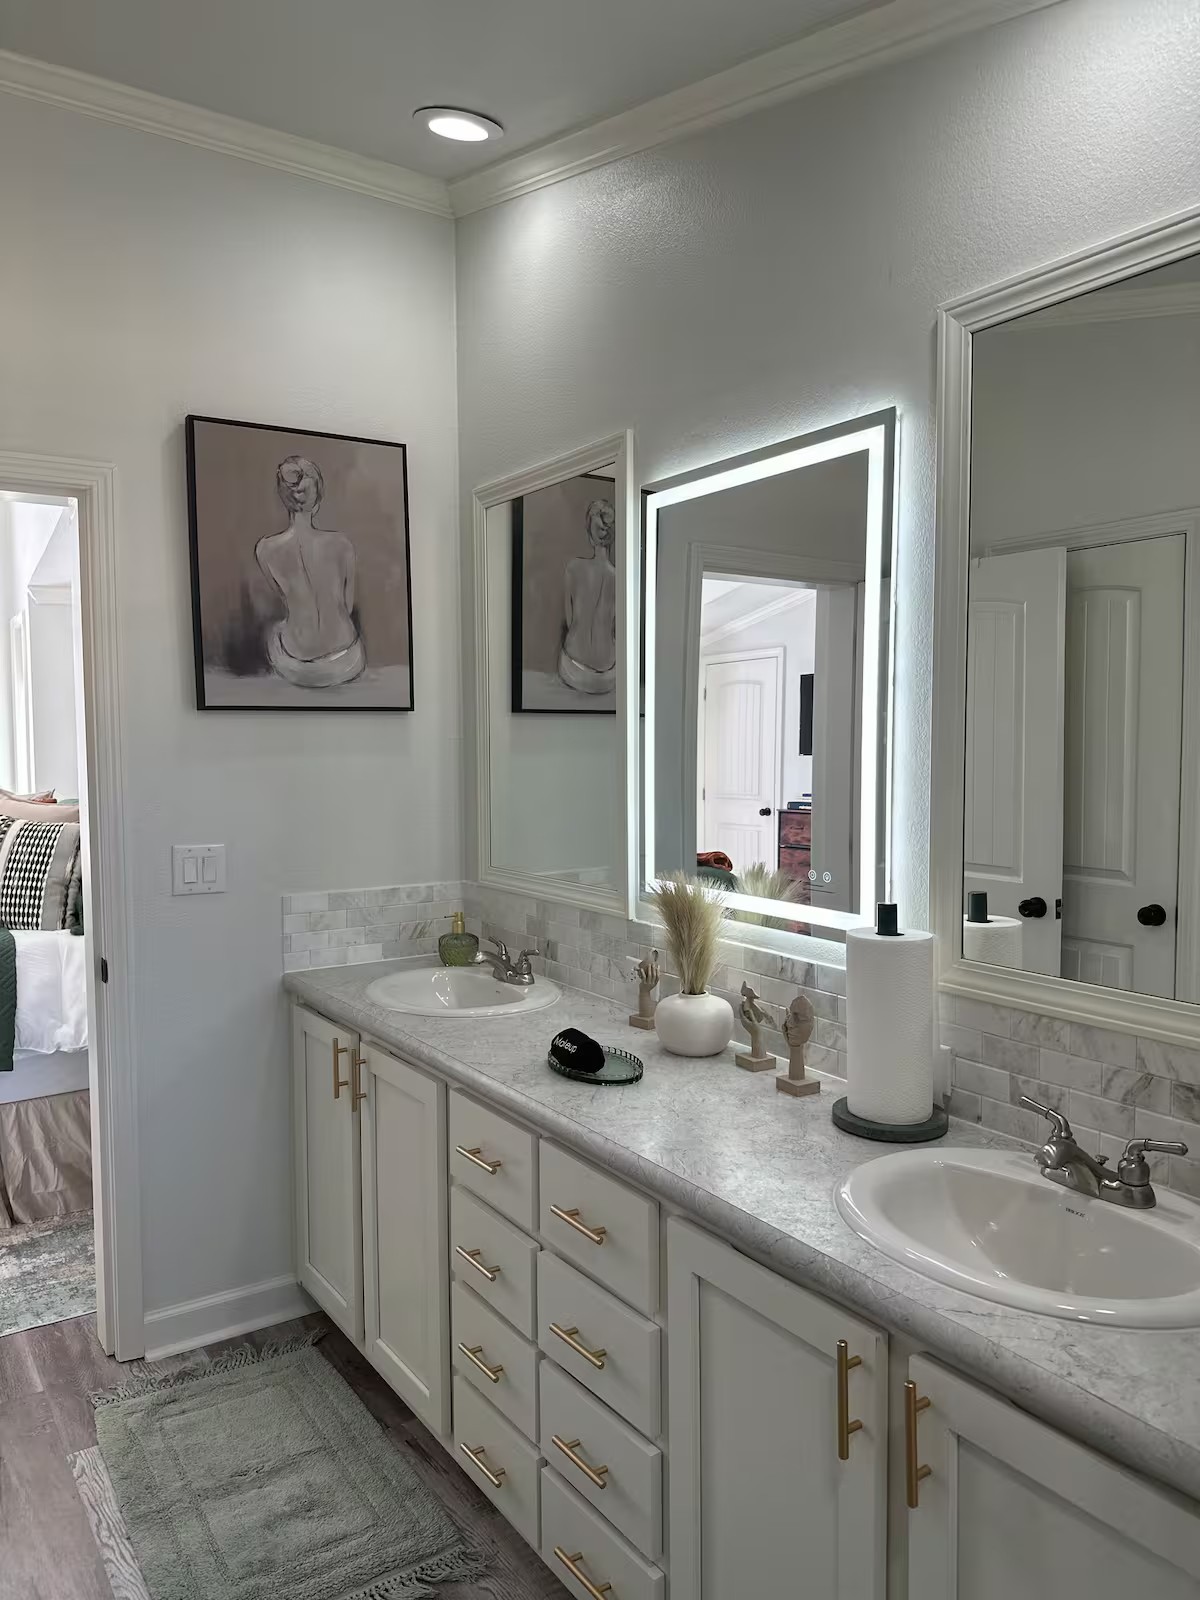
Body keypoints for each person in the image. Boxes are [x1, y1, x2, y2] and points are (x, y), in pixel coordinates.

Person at [256, 455, 366, 688]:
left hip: (298, 666)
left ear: (285, 498)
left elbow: (284, 598)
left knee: (277, 629)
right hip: (347, 661)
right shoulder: (342, 544)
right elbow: (346, 606)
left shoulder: (265, 549)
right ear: (318, 498)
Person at [558, 497, 616, 695]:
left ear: (590, 533)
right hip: (608, 677)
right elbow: (617, 629)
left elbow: (569, 619)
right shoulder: (621, 579)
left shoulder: (573, 568)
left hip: (573, 670)